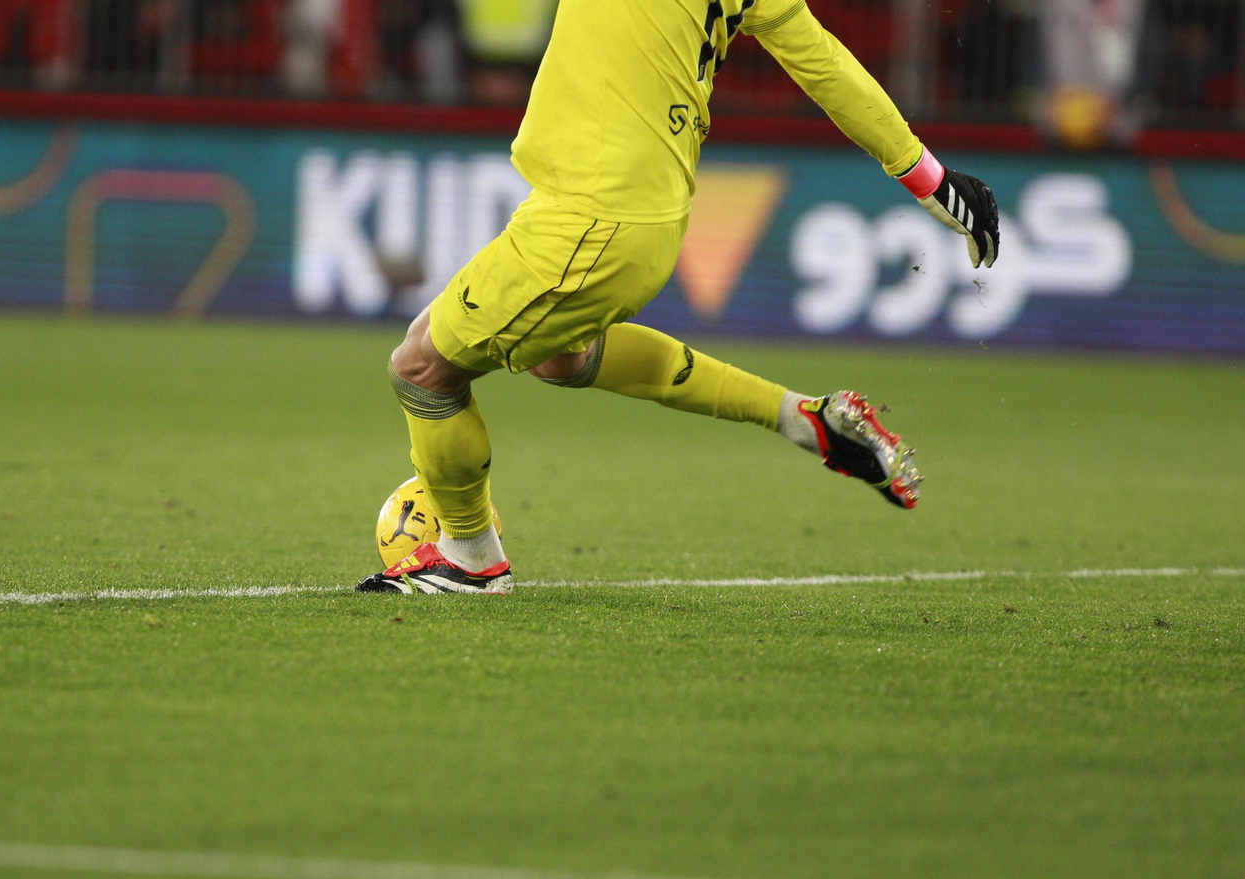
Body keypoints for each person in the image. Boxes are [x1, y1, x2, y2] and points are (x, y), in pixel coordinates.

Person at [357, 0, 1000, 595]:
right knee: (562, 356)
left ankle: (471, 560)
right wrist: (931, 178)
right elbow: (824, 63)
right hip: (644, 214)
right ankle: (798, 416)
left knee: (422, 370)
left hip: (593, 212)